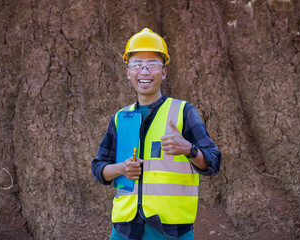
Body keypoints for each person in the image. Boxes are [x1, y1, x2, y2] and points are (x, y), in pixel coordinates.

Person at [91, 28, 221, 240]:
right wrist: (121, 168)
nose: (144, 71)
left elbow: (213, 161)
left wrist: (189, 149)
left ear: (163, 72)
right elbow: (98, 168)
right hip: (125, 230)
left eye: (152, 64)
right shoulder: (120, 117)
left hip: (171, 231)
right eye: (136, 64)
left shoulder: (183, 112)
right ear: (128, 73)